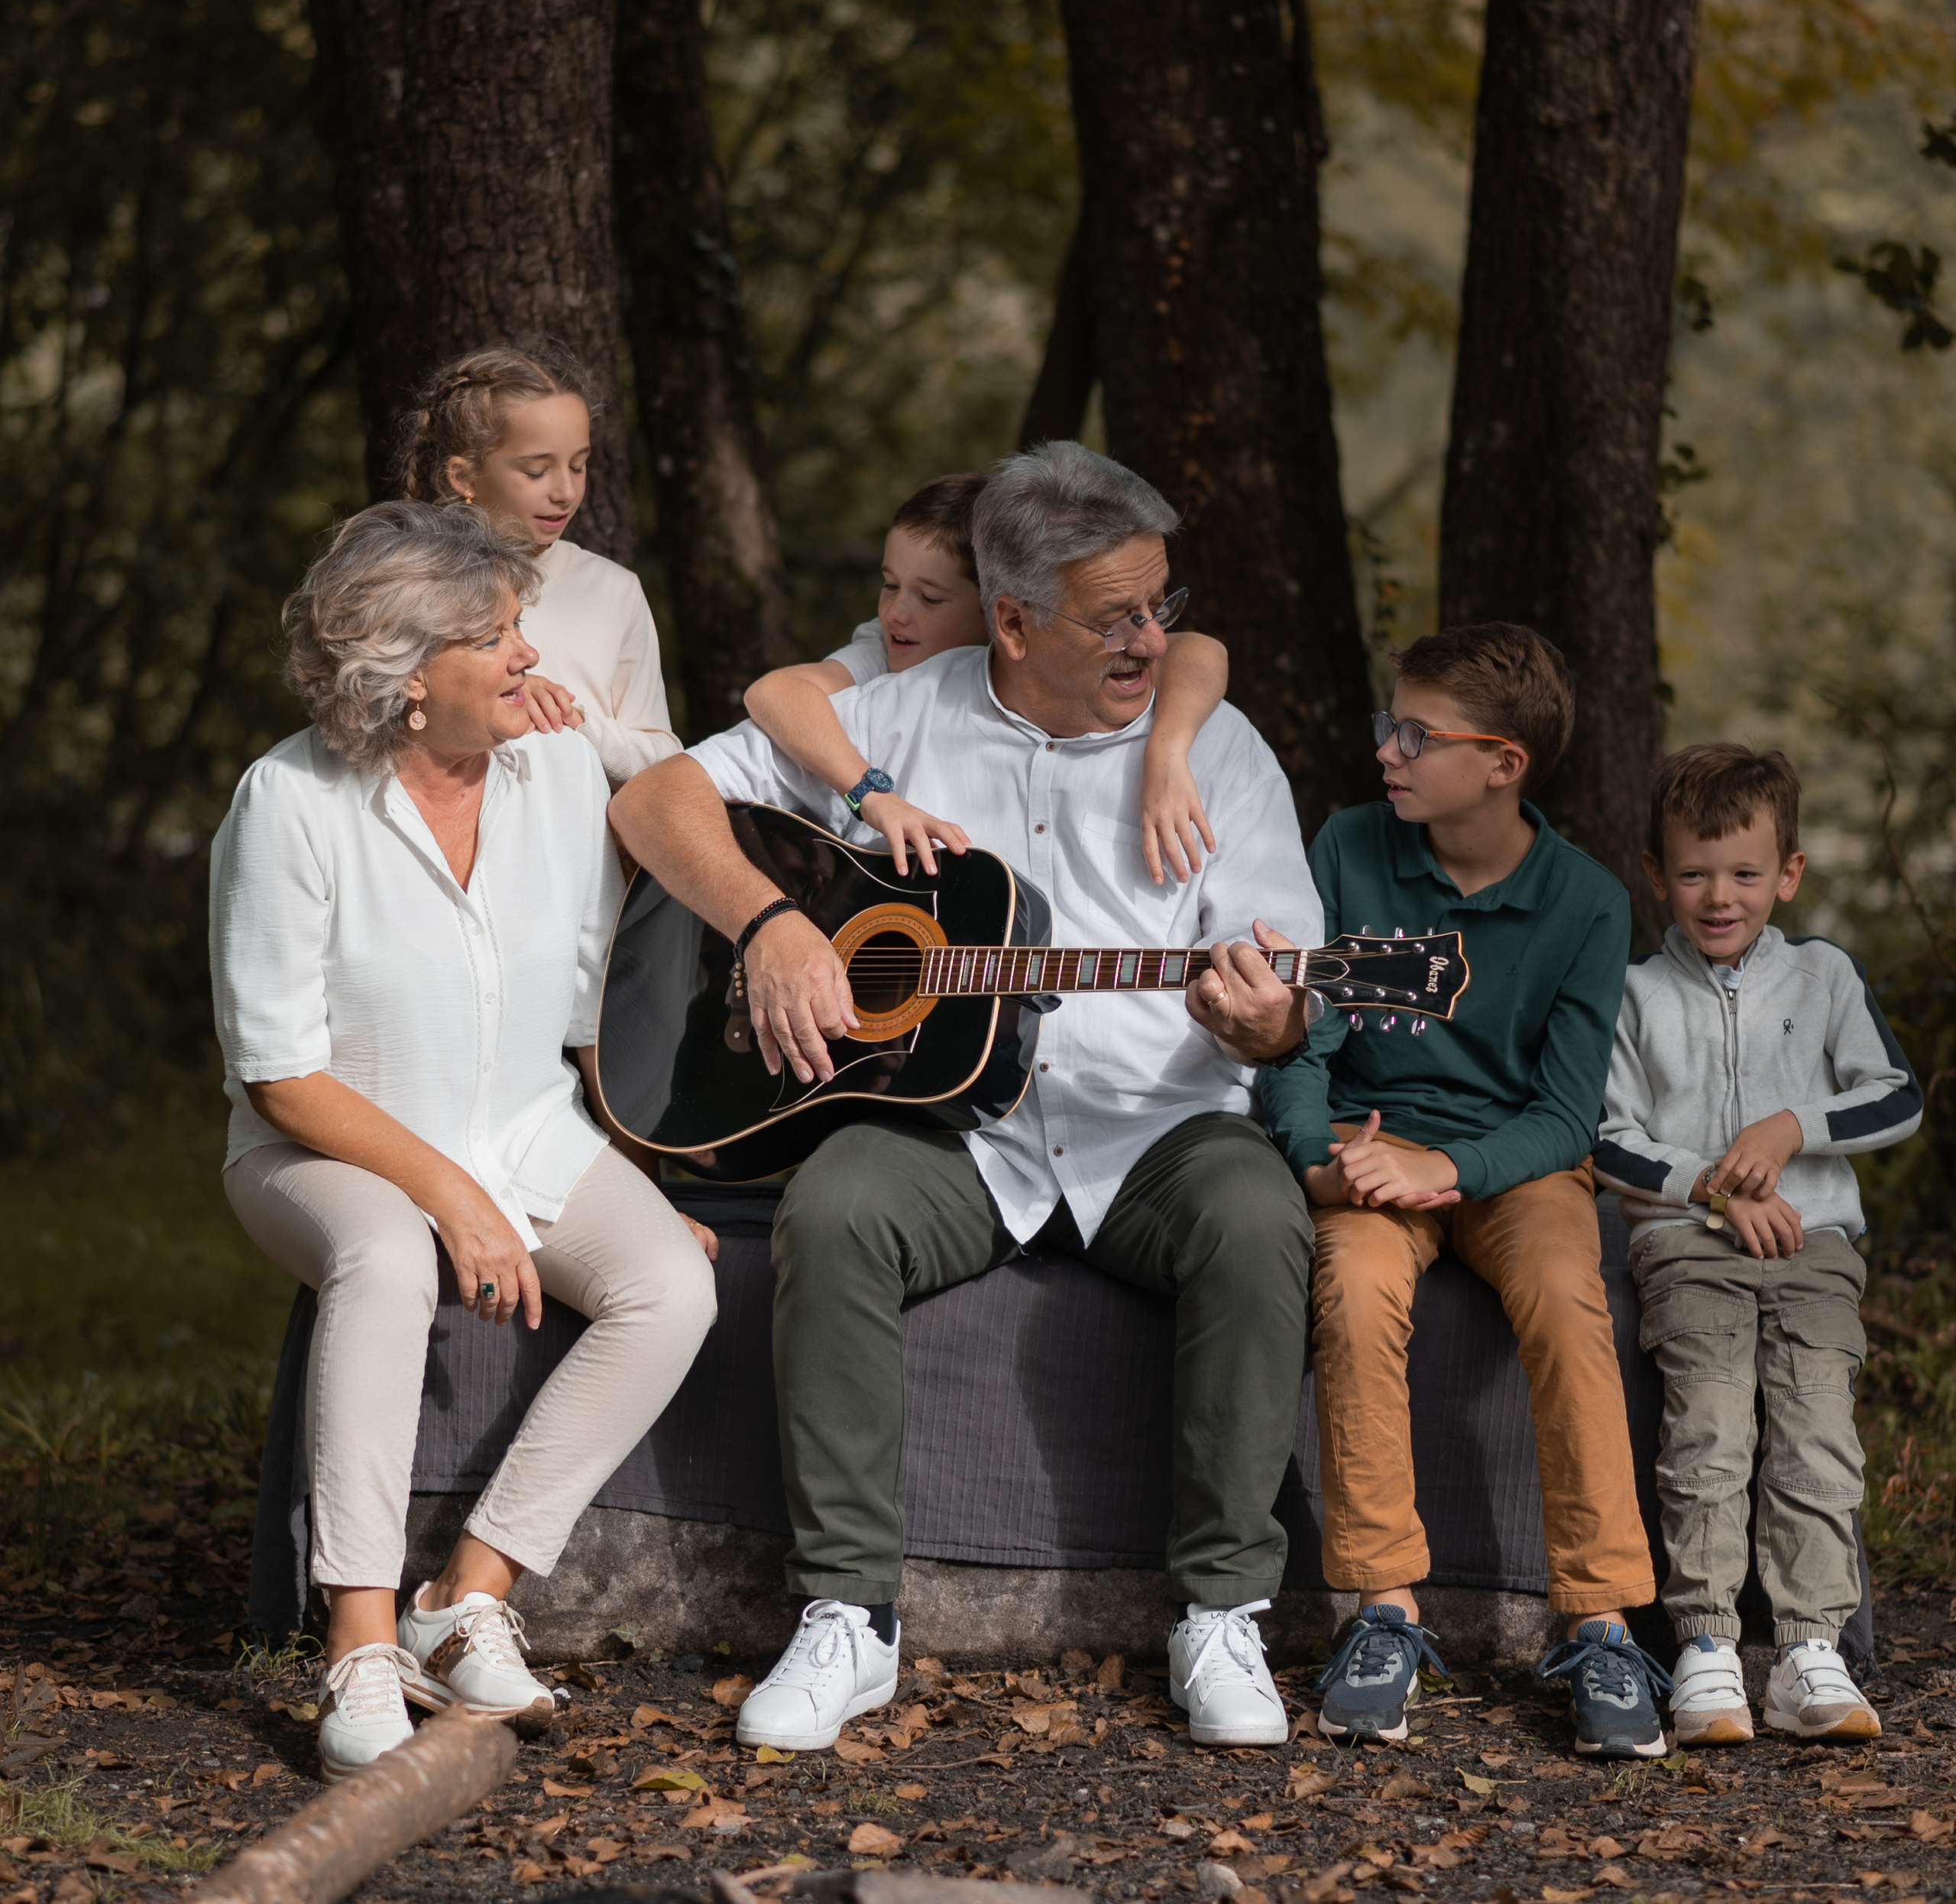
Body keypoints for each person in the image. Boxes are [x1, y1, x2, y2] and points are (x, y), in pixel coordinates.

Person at [611, 440, 1321, 1752]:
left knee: (1257, 1216)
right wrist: (769, 922)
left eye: (1160, 605)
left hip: (1157, 1129)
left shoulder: (1216, 751)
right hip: (953, 1130)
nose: (1152, 640)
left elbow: (1285, 985)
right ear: (1013, 621)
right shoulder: (890, 722)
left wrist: (1270, 1020)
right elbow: (658, 802)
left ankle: (1223, 1613)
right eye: (1116, 618)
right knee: (836, 1208)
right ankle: (848, 1616)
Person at [210, 501, 719, 1783]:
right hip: (323, 1150)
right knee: (387, 1257)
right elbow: (279, 1075)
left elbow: (589, 1004)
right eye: (496, 639)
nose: (527, 658)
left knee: (673, 1285)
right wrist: (449, 1195)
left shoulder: (556, 771)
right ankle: (360, 1642)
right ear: (406, 671)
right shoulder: (288, 802)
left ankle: (466, 1595)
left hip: (525, 1132)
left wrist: (635, 1176)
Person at [1259, 623, 1666, 1758]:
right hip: (1366, 1143)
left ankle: (1600, 1622)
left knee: (1570, 1302)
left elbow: (1567, 1114)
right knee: (1352, 1291)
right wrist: (1317, 1158)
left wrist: (1447, 1170)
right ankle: (1382, 1611)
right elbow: (1298, 1041)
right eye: (1388, 726)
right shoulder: (1348, 846)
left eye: (1414, 735)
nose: (1385, 751)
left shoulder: (1585, 902)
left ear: (1502, 764)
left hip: (1515, 1159)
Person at [1595, 743, 1921, 1744]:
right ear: (1657, 875)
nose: (1719, 896)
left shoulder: (1824, 976)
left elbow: (1895, 1097)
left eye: (1744, 872)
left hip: (1811, 1243)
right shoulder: (1635, 993)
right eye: (1694, 873)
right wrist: (1710, 1187)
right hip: (1687, 1246)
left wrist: (1789, 1129)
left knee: (1816, 1430)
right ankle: (1705, 1643)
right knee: (1709, 1426)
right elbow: (1606, 1137)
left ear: (1789, 873)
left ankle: (1809, 1650)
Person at [742, 472, 1232, 885]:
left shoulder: (1055, 647)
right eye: (889, 585)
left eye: (930, 598)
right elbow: (774, 692)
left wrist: (1167, 753)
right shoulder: (886, 652)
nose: (896, 613)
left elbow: (1198, 652)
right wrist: (871, 795)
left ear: (1000, 617)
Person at [399, 340, 682, 787]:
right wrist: (492, 700)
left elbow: (665, 763)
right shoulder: (411, 582)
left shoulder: (614, 590)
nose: (566, 492)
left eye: (579, 466)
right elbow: (368, 724)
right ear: (464, 477)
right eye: (536, 471)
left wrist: (573, 721)